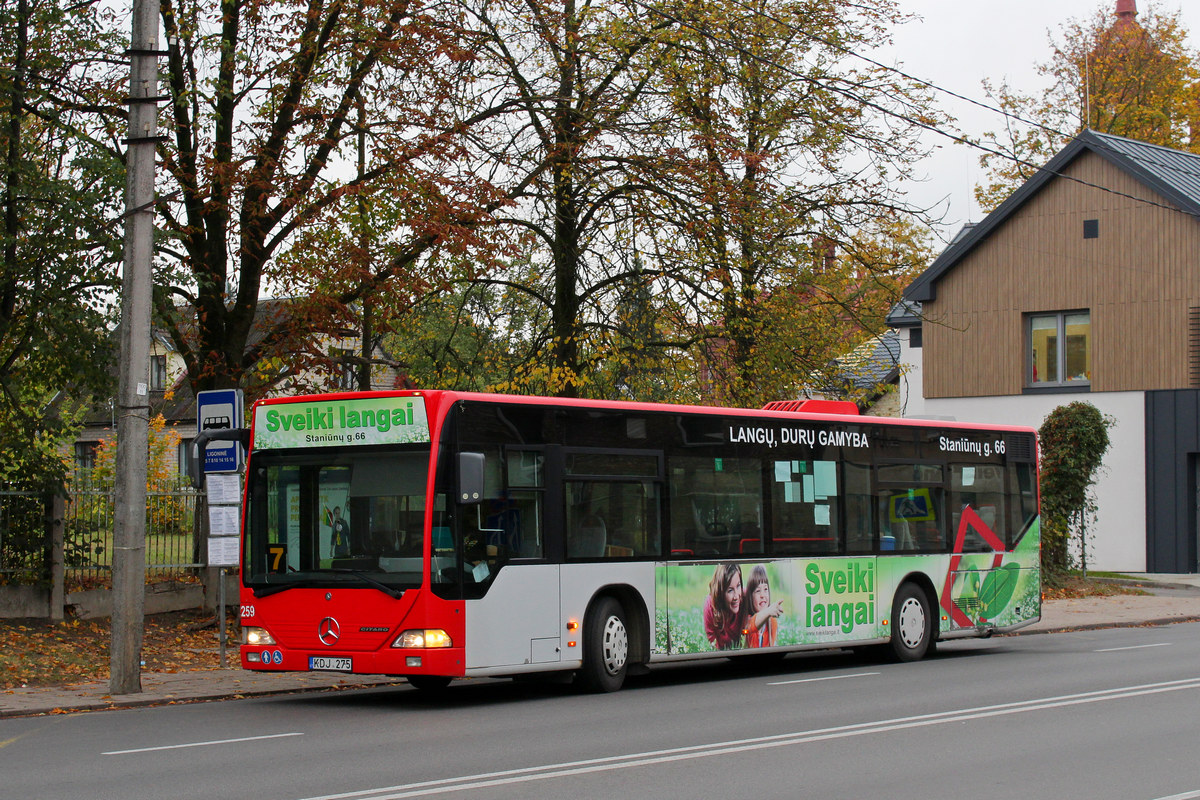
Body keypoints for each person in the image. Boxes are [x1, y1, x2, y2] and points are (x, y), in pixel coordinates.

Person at [703, 562, 746, 650]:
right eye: (730, 590)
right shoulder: (710, 605)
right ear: (721, 592)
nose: (736, 596)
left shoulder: (745, 598)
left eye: (738, 586)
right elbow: (712, 645)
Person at [744, 565, 784, 648]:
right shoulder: (746, 620)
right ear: (750, 597)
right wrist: (768, 611)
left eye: (765, 589)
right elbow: (751, 627)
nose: (762, 595)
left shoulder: (772, 622)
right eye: (758, 591)